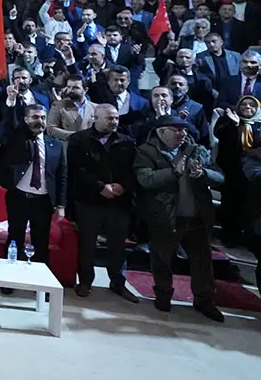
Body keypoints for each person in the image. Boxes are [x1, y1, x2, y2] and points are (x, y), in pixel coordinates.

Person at [134, 115, 224, 321]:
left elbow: (220, 176)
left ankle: (205, 300)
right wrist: (173, 172)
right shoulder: (146, 151)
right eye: (176, 130)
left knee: (202, 261)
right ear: (161, 132)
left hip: (196, 216)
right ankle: (163, 295)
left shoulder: (197, 150)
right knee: (162, 260)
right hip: (165, 216)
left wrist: (204, 174)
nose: (182, 134)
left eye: (184, 130)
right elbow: (145, 179)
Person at [67, 104, 139, 301]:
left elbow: (134, 169)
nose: (114, 122)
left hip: (119, 202)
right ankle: (85, 281)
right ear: (95, 118)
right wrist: (100, 187)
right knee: (87, 245)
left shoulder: (127, 142)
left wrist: (123, 186)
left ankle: (117, 282)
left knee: (118, 246)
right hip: (89, 201)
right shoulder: (79, 140)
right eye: (109, 118)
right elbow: (76, 170)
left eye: (116, 118)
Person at [0, 101, 66, 264]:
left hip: (43, 201)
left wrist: (61, 205)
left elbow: (62, 176)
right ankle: (10, 275)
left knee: (41, 243)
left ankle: (39, 278)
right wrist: (11, 102)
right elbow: (8, 126)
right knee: (15, 239)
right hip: (19, 198)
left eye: (43, 118)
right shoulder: (16, 139)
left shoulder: (55, 145)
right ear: (26, 119)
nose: (39, 121)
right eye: (35, 117)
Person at [211, 95, 259, 247]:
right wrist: (235, 125)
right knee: (231, 206)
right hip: (232, 171)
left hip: (253, 175)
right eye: (244, 104)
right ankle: (230, 237)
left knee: (251, 207)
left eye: (252, 105)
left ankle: (250, 239)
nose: (247, 107)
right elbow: (222, 138)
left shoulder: (259, 125)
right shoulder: (227, 120)